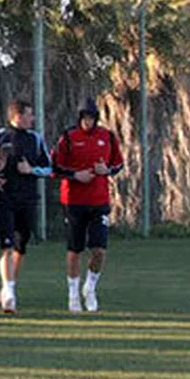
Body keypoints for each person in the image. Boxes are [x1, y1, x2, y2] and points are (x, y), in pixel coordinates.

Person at [52, 99, 123, 313]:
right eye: (84, 118)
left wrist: (107, 170)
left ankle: (89, 288)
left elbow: (118, 163)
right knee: (75, 250)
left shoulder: (107, 137)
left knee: (99, 250)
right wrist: (75, 175)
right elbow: (54, 168)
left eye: (91, 118)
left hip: (100, 201)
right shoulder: (68, 138)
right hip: (74, 202)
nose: (88, 122)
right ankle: (73, 294)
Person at [0, 99, 53, 314]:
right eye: (30, 115)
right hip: (3, 199)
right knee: (6, 245)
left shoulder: (35, 139)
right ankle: (9, 293)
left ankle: (8, 285)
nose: (33, 119)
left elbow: (49, 167)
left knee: (20, 247)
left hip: (28, 199)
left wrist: (31, 170)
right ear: (17, 116)